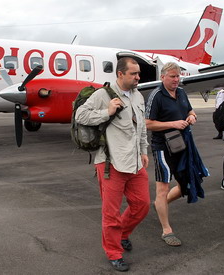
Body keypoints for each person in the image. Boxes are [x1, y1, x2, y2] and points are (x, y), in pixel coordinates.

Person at [75, 57, 149, 272]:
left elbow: (141, 127)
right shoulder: (102, 95)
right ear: (120, 74)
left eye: (138, 74)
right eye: (133, 74)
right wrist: (106, 112)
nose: (138, 77)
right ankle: (114, 252)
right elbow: (81, 115)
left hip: (135, 162)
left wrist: (144, 151)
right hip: (110, 163)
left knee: (142, 205)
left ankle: (123, 234)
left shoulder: (138, 96)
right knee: (111, 213)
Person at [145, 62, 198, 247]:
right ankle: (167, 230)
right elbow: (148, 123)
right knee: (163, 188)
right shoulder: (156, 96)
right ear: (163, 77)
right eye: (173, 76)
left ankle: (160, 204)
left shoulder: (182, 92)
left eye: (178, 76)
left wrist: (192, 116)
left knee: (186, 185)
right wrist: (173, 124)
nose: (177, 80)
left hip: (181, 144)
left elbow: (190, 110)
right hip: (162, 147)